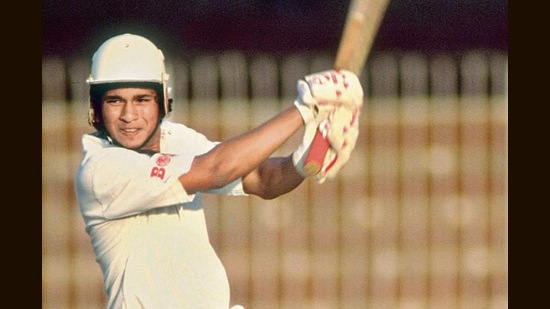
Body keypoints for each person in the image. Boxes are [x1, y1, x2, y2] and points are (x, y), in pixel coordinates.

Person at [75, 33, 363, 309]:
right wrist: (307, 108)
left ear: (163, 100)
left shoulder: (177, 140)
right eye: (115, 101)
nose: (129, 115)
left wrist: (302, 162)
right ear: (96, 108)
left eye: (142, 100)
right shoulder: (101, 170)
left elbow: (263, 180)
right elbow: (217, 168)